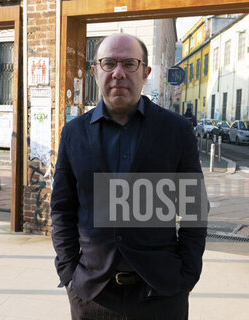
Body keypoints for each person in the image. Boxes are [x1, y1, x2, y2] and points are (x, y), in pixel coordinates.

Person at [51, 33, 207, 319]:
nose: (118, 73)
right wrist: (70, 272)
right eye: (108, 63)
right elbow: (63, 208)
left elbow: (193, 208)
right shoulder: (74, 134)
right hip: (92, 296)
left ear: (145, 72)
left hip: (161, 294)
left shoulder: (176, 130)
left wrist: (187, 275)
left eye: (129, 63)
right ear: (95, 71)